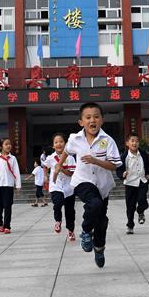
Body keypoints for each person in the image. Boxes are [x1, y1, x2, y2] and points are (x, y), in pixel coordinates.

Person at [54, 102, 121, 268]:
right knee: (94, 204)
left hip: (103, 186)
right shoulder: (75, 139)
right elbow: (66, 151)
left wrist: (96, 161)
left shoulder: (108, 140)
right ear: (81, 122)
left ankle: (99, 248)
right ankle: (85, 231)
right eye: (88, 117)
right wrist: (58, 166)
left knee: (101, 221)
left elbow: (114, 165)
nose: (93, 120)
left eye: (96, 117)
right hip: (82, 181)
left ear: (102, 120)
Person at [117, 133, 149, 234]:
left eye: (137, 141)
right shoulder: (124, 156)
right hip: (130, 183)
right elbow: (119, 169)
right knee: (130, 206)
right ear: (127, 143)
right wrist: (122, 174)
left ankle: (140, 211)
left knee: (142, 200)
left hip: (142, 181)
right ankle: (130, 225)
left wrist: (148, 174)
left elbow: (148, 165)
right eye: (132, 141)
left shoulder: (143, 153)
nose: (134, 143)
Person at [44, 132, 76, 241]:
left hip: (68, 187)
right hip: (56, 186)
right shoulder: (50, 157)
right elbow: (45, 166)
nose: (59, 144)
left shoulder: (70, 158)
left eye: (61, 141)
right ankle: (58, 220)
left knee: (70, 211)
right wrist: (45, 176)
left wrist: (61, 169)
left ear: (65, 144)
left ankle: (70, 230)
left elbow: (71, 173)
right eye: (56, 142)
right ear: (53, 145)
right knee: (57, 203)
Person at [0, 138, 22, 233]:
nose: (9, 146)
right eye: (6, 144)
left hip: (8, 186)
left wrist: (18, 185)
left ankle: (7, 226)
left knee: (8, 206)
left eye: (9, 144)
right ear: (1, 146)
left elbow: (16, 172)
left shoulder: (13, 158)